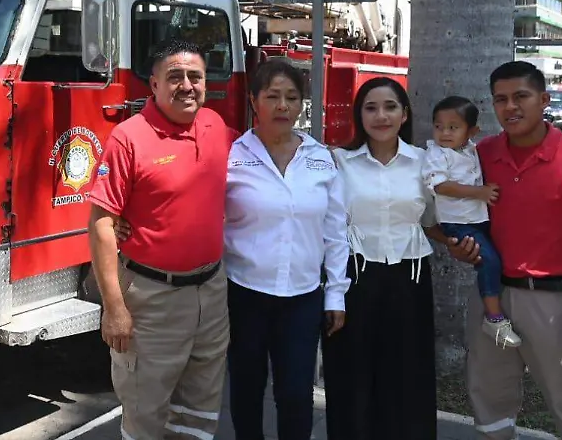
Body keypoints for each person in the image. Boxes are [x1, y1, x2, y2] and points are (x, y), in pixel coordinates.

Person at [112, 58, 352, 440]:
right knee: (245, 390)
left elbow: (336, 231)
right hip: (244, 295)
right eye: (272, 96)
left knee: (295, 395)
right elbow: (183, 195)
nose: (282, 106)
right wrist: (126, 217)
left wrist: (336, 294)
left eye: (292, 97)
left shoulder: (321, 159)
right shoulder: (233, 152)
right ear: (254, 101)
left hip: (302, 298)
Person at [445, 61, 562, 440]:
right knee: (489, 399)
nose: (511, 107)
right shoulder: (481, 155)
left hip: (552, 305)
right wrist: (456, 245)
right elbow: (455, 212)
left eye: (521, 96)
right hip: (490, 298)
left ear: (543, 99)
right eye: (501, 99)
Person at [86, 38, 232, 440]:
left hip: (211, 295)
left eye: (195, 77)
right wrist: (114, 309)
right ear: (153, 85)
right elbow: (101, 222)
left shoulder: (215, 126)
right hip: (152, 300)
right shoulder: (128, 138)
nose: (186, 86)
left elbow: (262, 157)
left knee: (200, 411)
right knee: (145, 414)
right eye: (175, 77)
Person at [323, 76, 438, 439]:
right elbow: (329, 226)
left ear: (404, 114)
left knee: (407, 375)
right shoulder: (340, 162)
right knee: (351, 376)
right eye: (370, 108)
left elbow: (435, 220)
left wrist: (462, 242)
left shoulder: (425, 163)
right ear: (359, 115)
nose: (381, 116)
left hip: (411, 277)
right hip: (355, 278)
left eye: (390, 107)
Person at [420, 95, 520, 348]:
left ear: (472, 130)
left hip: (477, 219)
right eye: (439, 126)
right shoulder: (437, 154)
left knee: (498, 258)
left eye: (453, 127)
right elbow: (440, 186)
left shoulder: (471, 149)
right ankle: (494, 318)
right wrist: (480, 193)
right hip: (458, 222)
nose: (444, 133)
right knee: (488, 260)